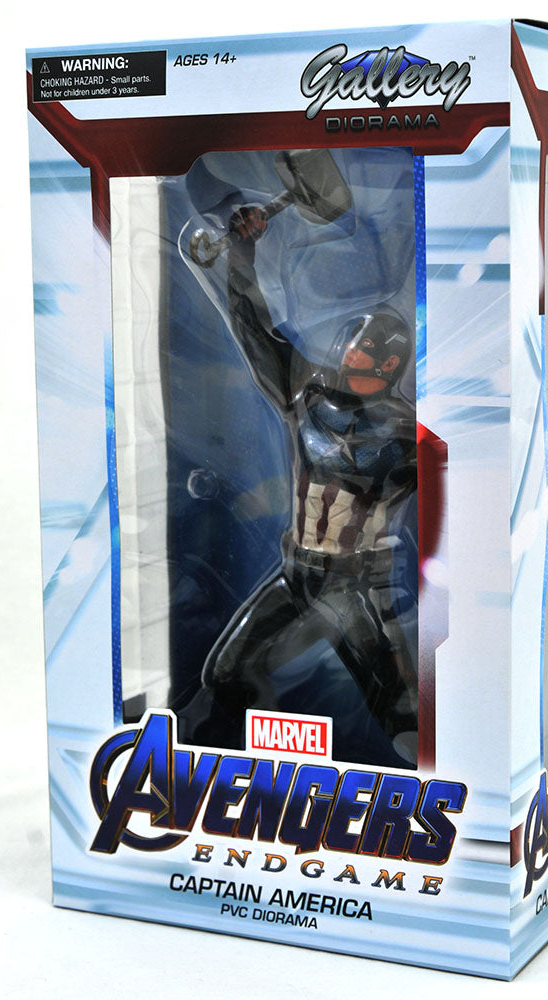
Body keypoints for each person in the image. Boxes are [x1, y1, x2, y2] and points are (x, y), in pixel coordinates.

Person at [176, 205, 419, 765]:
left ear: (392, 366)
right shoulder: (307, 394)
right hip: (297, 574)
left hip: (353, 586)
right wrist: (243, 257)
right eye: (357, 344)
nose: (357, 356)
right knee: (225, 672)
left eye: (373, 352)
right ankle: (232, 758)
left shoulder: (404, 435)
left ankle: (431, 783)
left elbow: (457, 488)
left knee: (395, 706)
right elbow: (251, 328)